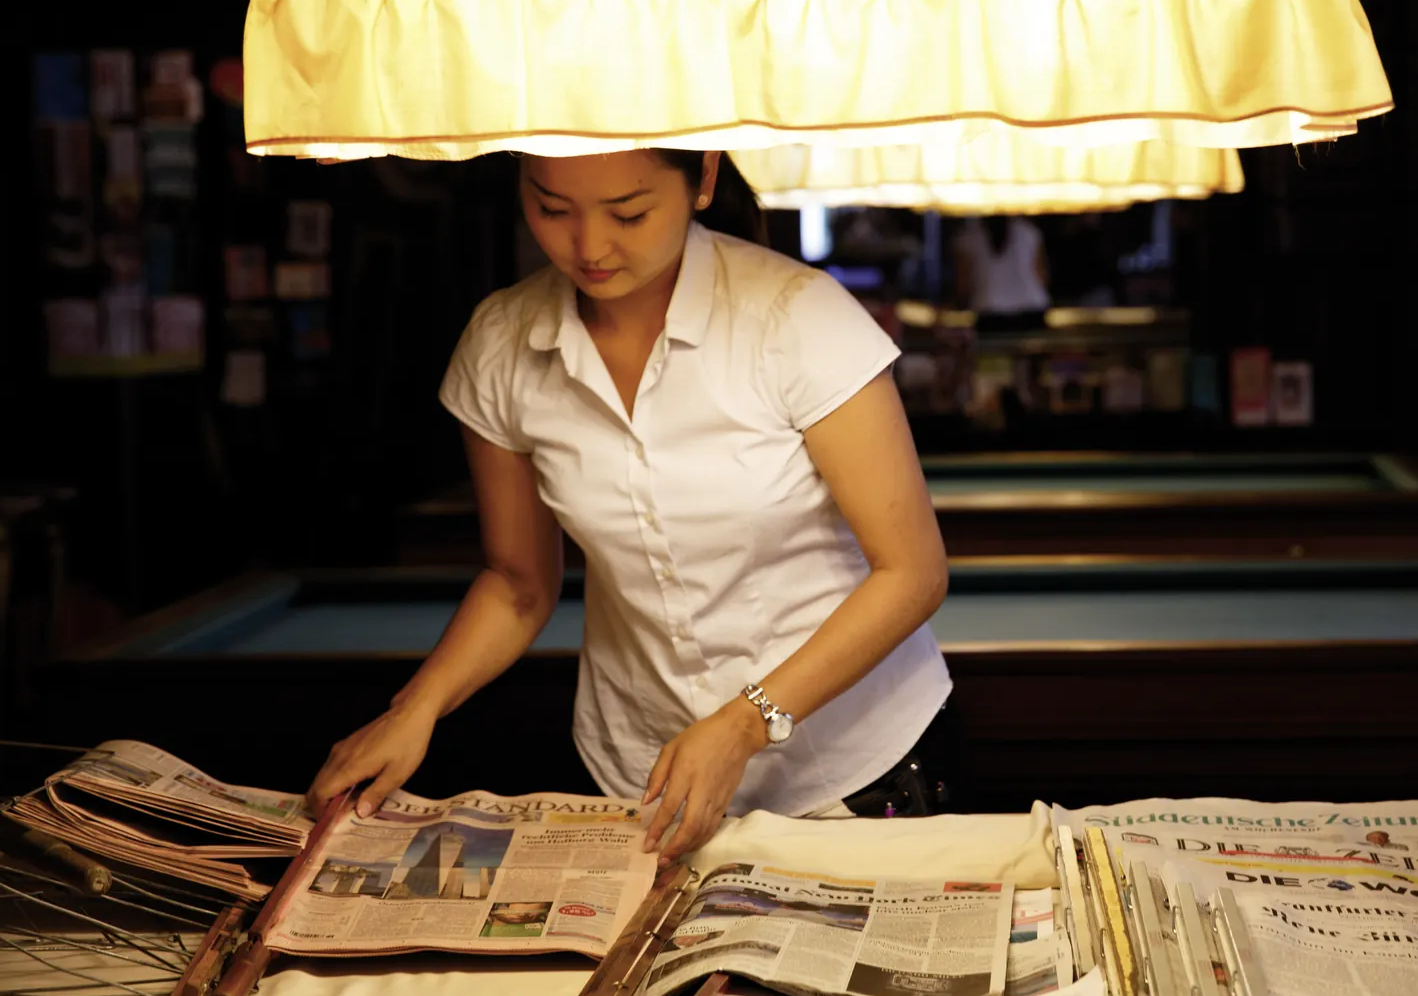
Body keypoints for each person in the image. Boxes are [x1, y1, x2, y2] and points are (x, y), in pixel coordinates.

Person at [307, 149, 954, 865]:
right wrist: (415, 707)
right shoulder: (501, 343)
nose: (588, 246)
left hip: (854, 763)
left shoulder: (796, 316)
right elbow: (520, 584)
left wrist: (744, 722)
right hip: (641, 774)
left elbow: (913, 574)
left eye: (629, 212)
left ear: (703, 178)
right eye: (552, 208)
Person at [952, 214, 1051, 326]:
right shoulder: (1029, 232)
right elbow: (1041, 276)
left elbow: (963, 285)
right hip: (1032, 308)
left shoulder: (967, 236)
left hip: (990, 310)